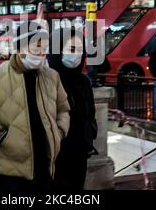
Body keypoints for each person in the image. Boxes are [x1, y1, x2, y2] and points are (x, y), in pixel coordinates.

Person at [0, 21, 70, 192]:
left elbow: (64, 109)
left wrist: (59, 131)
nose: (42, 53)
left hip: (45, 168)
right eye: (37, 46)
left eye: (45, 47)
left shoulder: (52, 77)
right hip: (8, 173)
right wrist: (0, 136)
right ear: (20, 48)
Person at [47, 27, 98, 190]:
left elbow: (91, 113)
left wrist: (90, 131)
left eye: (80, 50)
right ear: (57, 50)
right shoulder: (46, 80)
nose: (76, 54)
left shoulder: (84, 81)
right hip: (56, 156)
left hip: (80, 152)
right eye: (72, 49)